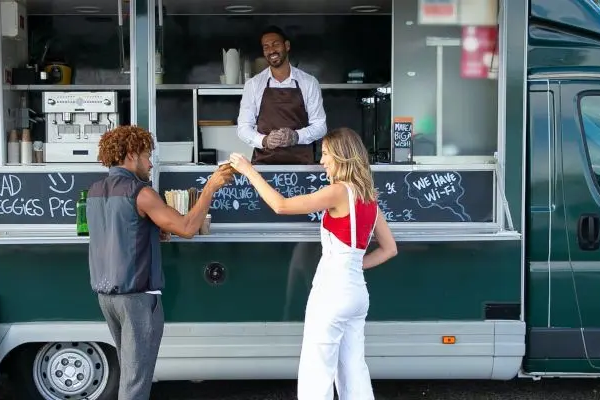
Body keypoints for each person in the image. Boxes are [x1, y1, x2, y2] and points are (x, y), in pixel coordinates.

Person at [228, 127, 398, 399]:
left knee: (316, 373)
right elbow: (390, 249)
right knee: (354, 369)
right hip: (357, 293)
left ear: (342, 157)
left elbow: (281, 205)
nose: (322, 161)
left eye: (327, 154)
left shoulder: (338, 192)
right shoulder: (369, 198)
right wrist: (353, 265)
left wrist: (249, 170)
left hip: (332, 293)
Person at [86, 125, 232, 400]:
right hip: (138, 298)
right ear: (131, 155)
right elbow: (188, 227)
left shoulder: (95, 192)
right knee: (135, 384)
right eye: (146, 155)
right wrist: (210, 187)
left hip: (107, 296)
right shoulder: (140, 192)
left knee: (130, 375)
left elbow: (121, 232)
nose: (150, 163)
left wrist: (152, 231)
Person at [236, 25, 327, 165]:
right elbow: (243, 128)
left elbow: (320, 126)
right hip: (264, 166)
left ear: (287, 46)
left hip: (301, 166)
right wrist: (265, 140)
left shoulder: (309, 82)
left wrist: (296, 136)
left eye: (275, 44)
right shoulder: (253, 85)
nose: (271, 50)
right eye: (266, 47)